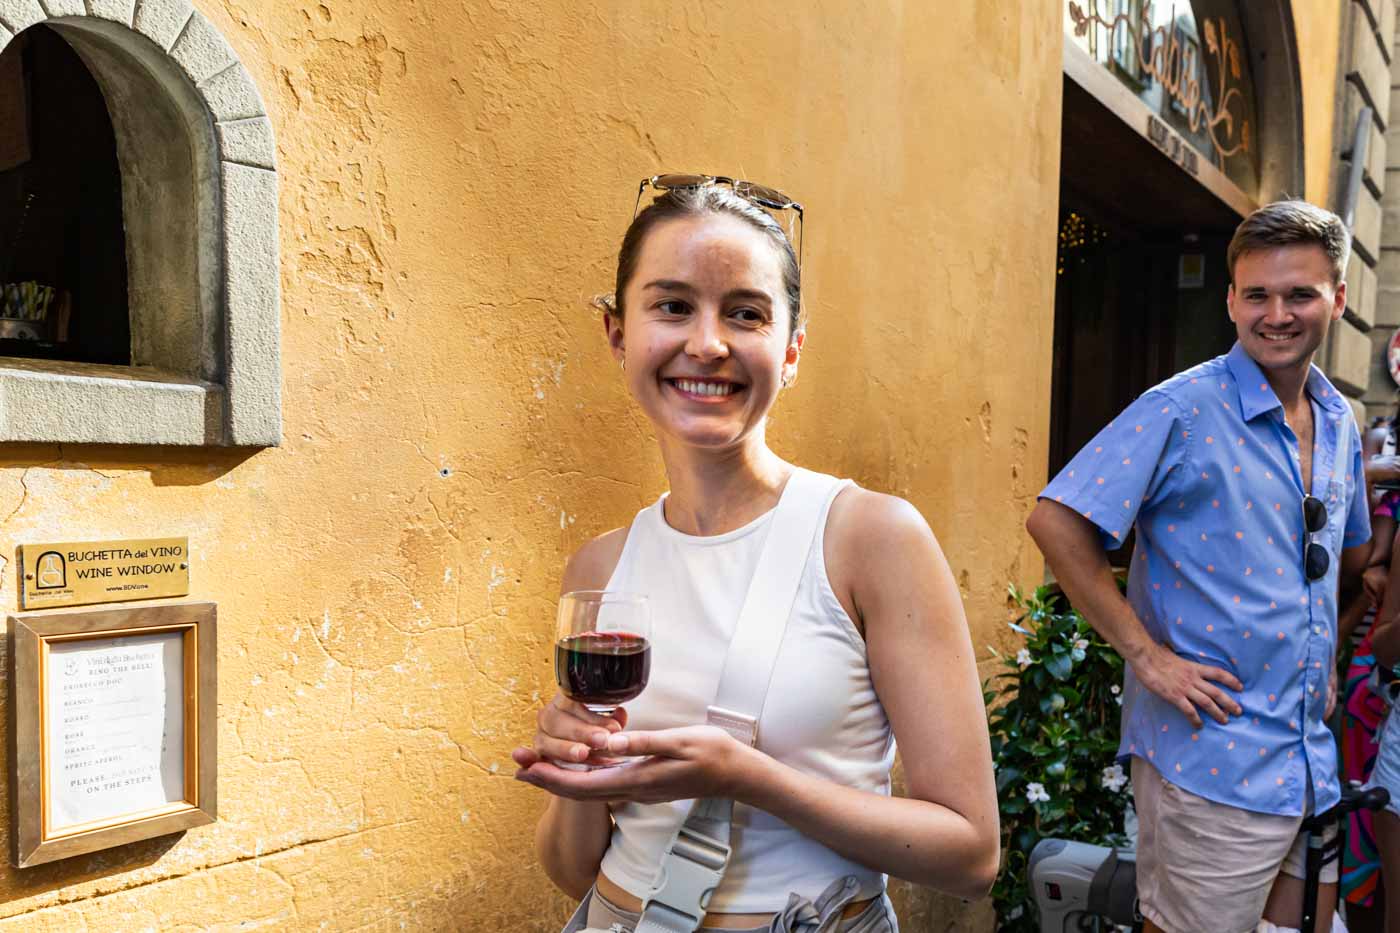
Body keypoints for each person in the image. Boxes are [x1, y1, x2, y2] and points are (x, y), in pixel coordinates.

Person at [509, 176, 999, 931]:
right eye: (672, 305)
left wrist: (749, 778)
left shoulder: (871, 538)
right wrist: (577, 768)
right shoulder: (600, 569)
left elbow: (970, 853)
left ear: (792, 348)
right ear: (618, 333)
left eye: (745, 313)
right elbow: (575, 868)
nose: (707, 343)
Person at [1026, 200, 1370, 933]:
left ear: (1337, 299)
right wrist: (1148, 658)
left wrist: (1325, 659)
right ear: (1230, 300)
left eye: (1300, 294)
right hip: (1210, 761)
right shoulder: (1180, 408)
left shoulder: (1341, 420)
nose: (1276, 314)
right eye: (1258, 294)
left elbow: (1339, 557)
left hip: (1307, 755)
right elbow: (1055, 521)